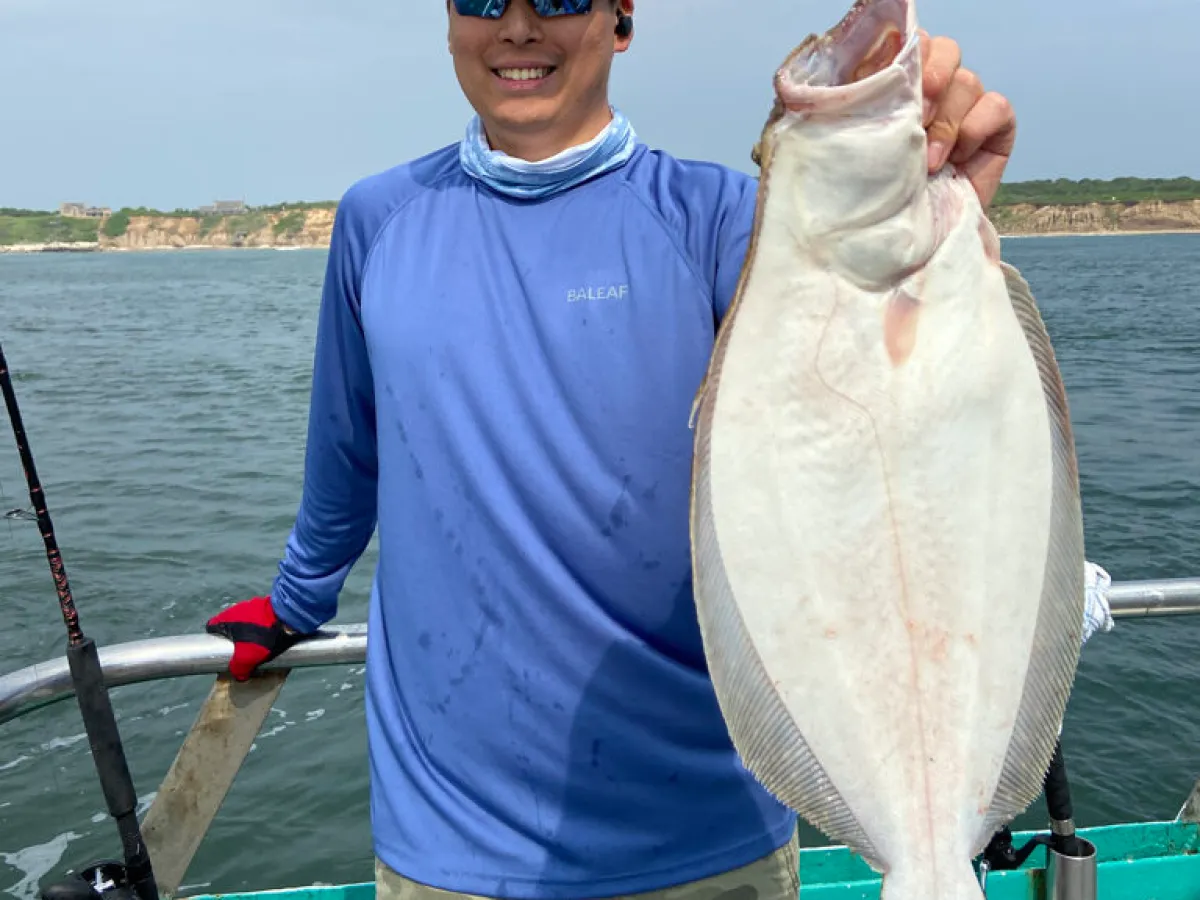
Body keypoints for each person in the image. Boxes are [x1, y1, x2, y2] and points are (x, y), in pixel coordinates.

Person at [205, 2, 1098, 899]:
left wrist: (944, 225)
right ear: (447, 23)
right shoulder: (377, 219)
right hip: (446, 838)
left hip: (709, 834)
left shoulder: (723, 220)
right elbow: (349, 454)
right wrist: (293, 601)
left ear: (621, 22)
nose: (516, 28)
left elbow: (885, 425)